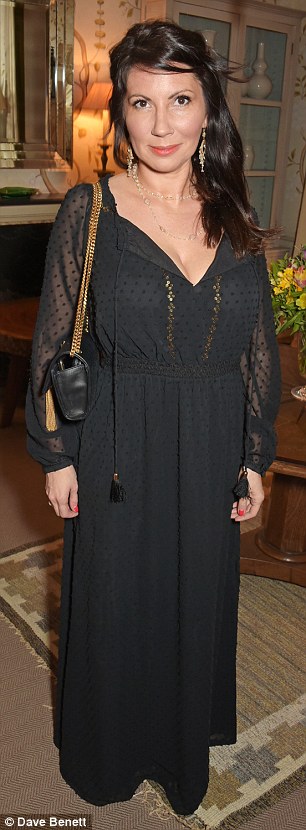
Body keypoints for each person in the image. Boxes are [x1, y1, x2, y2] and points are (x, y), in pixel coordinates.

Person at [26, 19, 281, 818]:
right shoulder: (89, 210)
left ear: (209, 110)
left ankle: (177, 755)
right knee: (115, 602)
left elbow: (256, 351)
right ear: (123, 115)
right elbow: (51, 346)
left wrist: (254, 451)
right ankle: (106, 755)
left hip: (209, 445)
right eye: (143, 102)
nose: (162, 122)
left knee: (191, 601)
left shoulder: (237, 218)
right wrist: (57, 457)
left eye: (181, 99)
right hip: (117, 446)